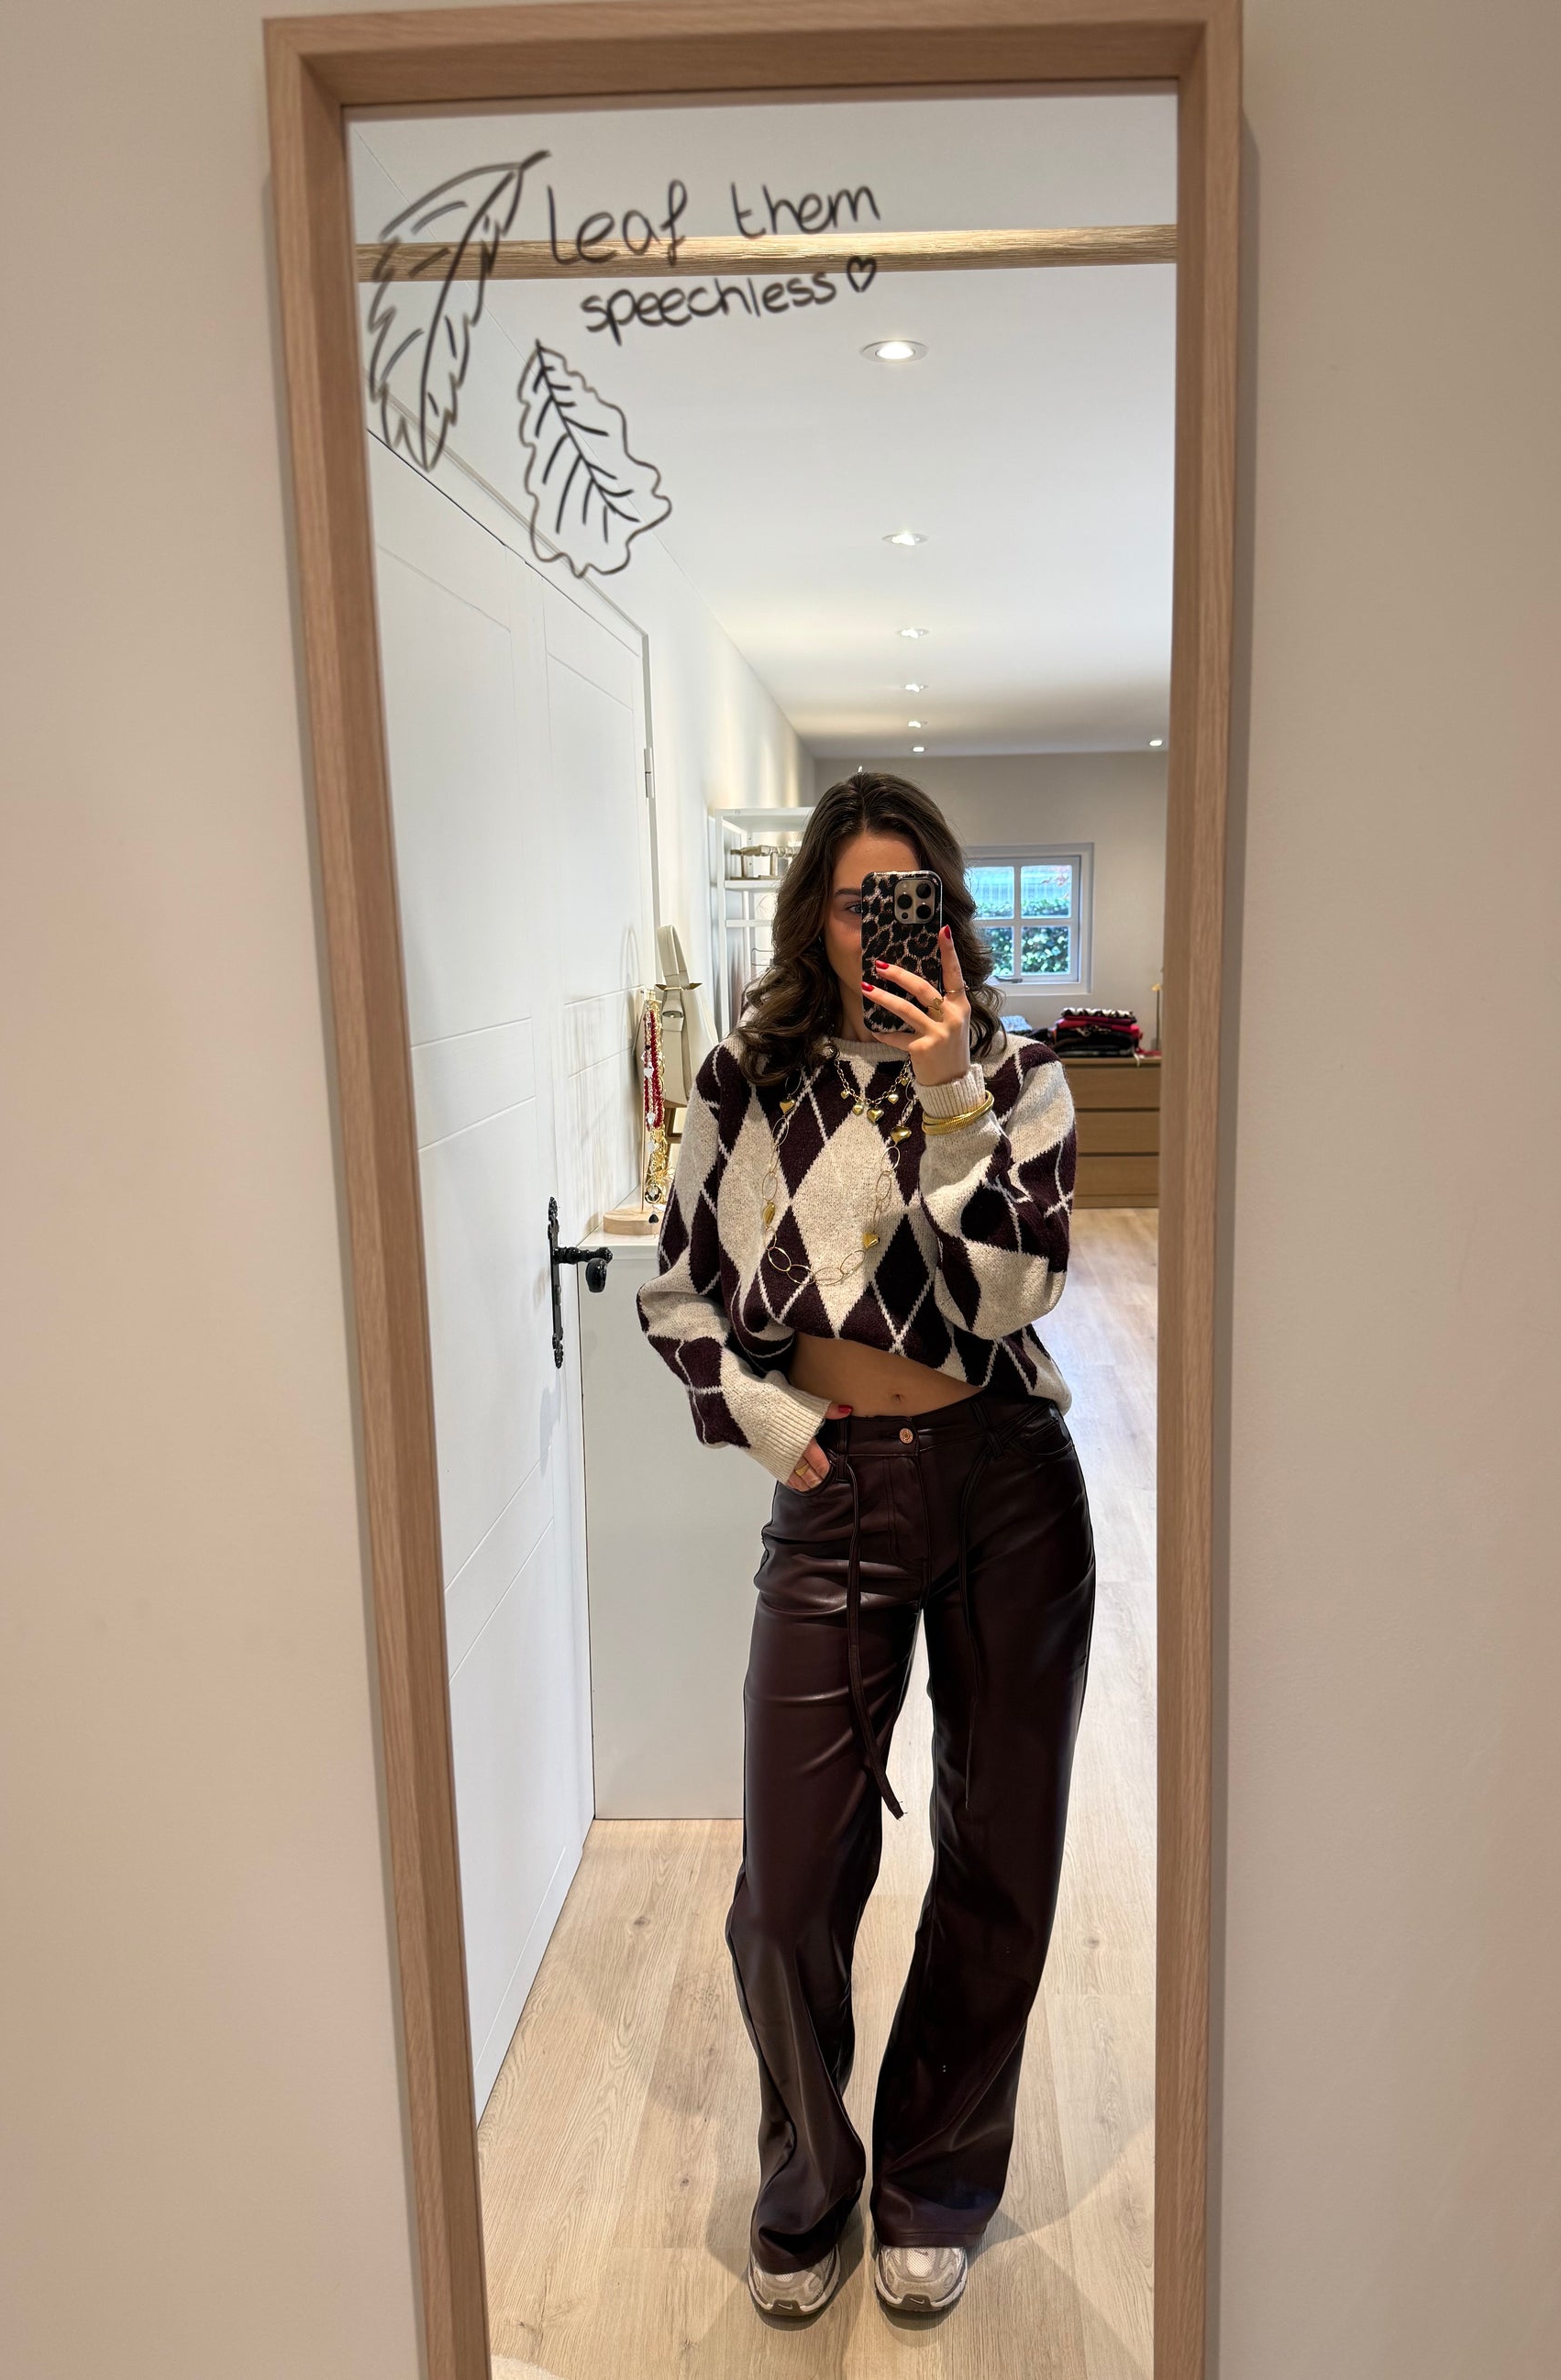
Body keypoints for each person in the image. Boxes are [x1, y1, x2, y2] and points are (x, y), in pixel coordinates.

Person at [637, 771, 1097, 2324]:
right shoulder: (743, 1078)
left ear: (945, 912)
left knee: (999, 1858)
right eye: (852, 901)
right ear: (814, 919)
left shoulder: (1018, 1076)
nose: (876, 928)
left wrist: (954, 1090)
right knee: (786, 1888)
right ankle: (807, 2184)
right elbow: (674, 1292)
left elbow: (1009, 1299)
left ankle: (934, 2186)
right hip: (833, 1492)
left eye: (904, 899)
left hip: (1008, 1487)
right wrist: (775, 1430)